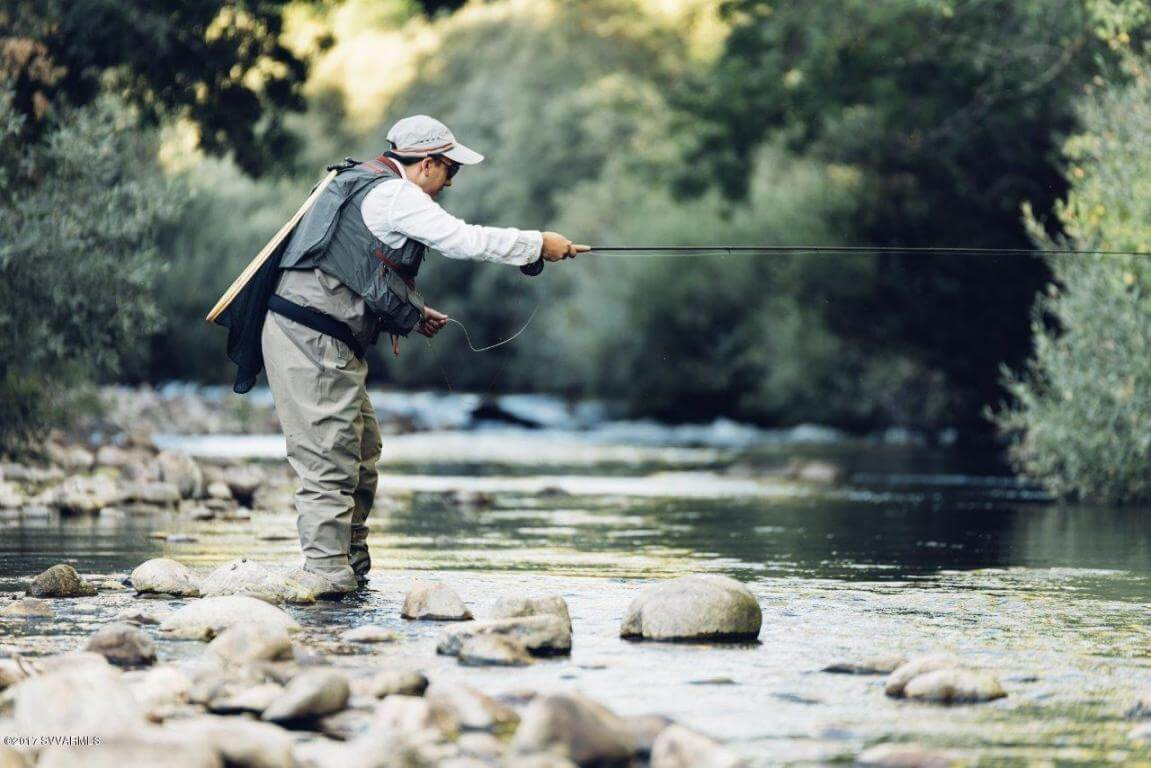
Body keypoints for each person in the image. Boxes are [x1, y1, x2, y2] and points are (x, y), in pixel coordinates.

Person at [259, 115, 588, 595]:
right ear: (428, 164)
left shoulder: (365, 183)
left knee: (363, 450)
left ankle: (350, 570)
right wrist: (537, 244)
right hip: (310, 335)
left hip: (320, 334)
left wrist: (411, 313)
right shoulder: (396, 193)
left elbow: (352, 267)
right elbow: (462, 239)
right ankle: (327, 579)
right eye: (451, 171)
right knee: (330, 458)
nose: (449, 182)